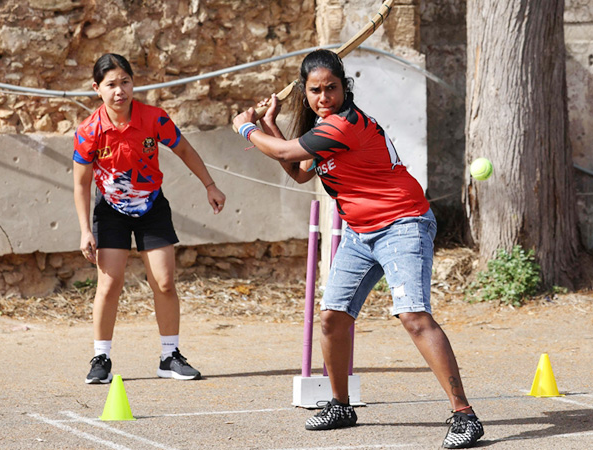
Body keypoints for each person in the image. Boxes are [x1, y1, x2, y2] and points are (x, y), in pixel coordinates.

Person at [233, 49, 484, 448]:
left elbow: (283, 153)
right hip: (359, 230)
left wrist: (246, 128)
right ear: (306, 93)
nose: (324, 97)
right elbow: (298, 173)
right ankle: (341, 405)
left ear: (344, 88)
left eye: (331, 88)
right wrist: (268, 122)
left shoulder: (346, 125)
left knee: (413, 317)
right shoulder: (323, 129)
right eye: (315, 90)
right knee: (332, 318)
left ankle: (464, 415)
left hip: (403, 223)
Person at [73, 53, 226, 385]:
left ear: (133, 83)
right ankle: (101, 357)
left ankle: (169, 356)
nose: (119, 91)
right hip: (110, 211)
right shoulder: (89, 131)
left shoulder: (154, 118)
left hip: (151, 208)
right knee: (109, 284)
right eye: (111, 85)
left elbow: (184, 150)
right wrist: (86, 229)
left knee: (165, 282)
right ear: (97, 88)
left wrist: (210, 185)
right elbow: (81, 183)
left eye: (125, 82)